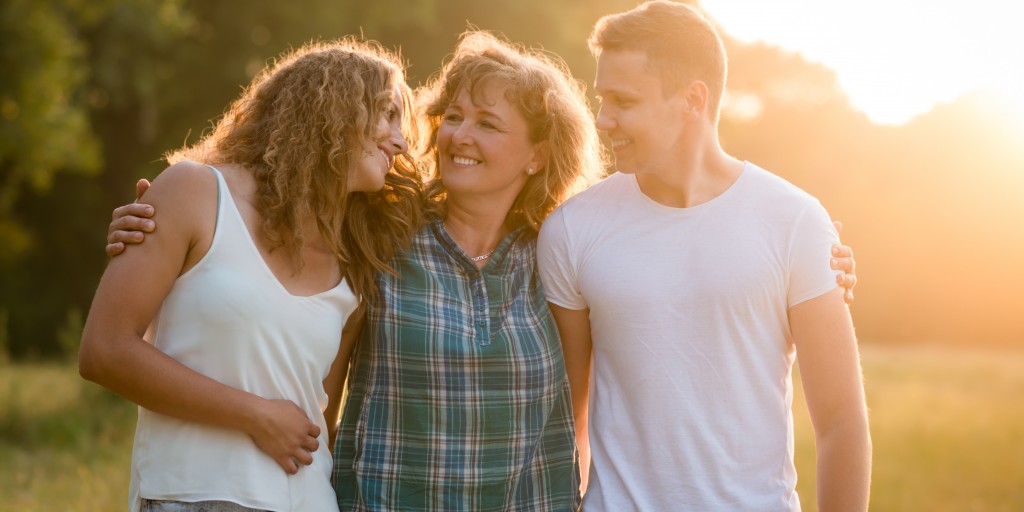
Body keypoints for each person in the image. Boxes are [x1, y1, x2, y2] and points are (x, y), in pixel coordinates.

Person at [103, 29, 861, 512]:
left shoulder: (561, 247)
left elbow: (583, 394)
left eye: (487, 124)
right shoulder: (378, 228)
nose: (457, 136)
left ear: (537, 155)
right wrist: (156, 211)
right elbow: (265, 213)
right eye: (450, 118)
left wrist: (817, 261)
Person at [536, 1, 871, 510]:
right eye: (602, 98)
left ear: (693, 99)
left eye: (623, 100)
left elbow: (842, 423)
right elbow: (568, 419)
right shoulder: (572, 230)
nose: (603, 120)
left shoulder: (796, 222)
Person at [79, 38, 422, 512]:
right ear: (334, 110)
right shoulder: (193, 192)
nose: (401, 140)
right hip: (190, 495)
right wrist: (255, 416)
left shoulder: (356, 262)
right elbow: (104, 352)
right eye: (387, 114)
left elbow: (320, 416)